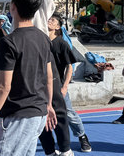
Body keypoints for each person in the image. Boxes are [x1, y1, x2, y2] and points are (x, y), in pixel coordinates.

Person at [0, 0, 57, 156]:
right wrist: (49, 105)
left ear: (12, 6)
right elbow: (49, 77)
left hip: (18, 114)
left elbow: (3, 87)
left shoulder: (9, 42)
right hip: (39, 112)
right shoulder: (43, 38)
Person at [44, 13, 92, 153]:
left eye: (53, 20)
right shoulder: (42, 42)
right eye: (48, 19)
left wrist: (65, 86)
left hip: (58, 86)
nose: (49, 21)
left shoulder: (62, 43)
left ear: (58, 27)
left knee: (68, 114)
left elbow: (70, 67)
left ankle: (82, 136)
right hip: (43, 86)